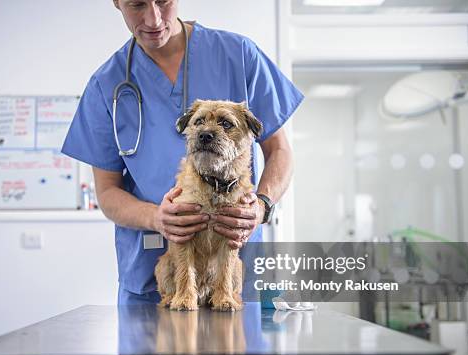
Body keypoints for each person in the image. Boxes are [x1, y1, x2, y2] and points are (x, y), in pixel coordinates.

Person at [61, 0, 303, 306]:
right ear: (116, 2)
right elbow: (107, 193)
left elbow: (280, 150)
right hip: (154, 275)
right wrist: (157, 218)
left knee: (239, 348)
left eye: (163, 1)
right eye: (137, 5)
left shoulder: (239, 56)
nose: (154, 18)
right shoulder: (105, 85)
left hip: (234, 270)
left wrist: (262, 205)